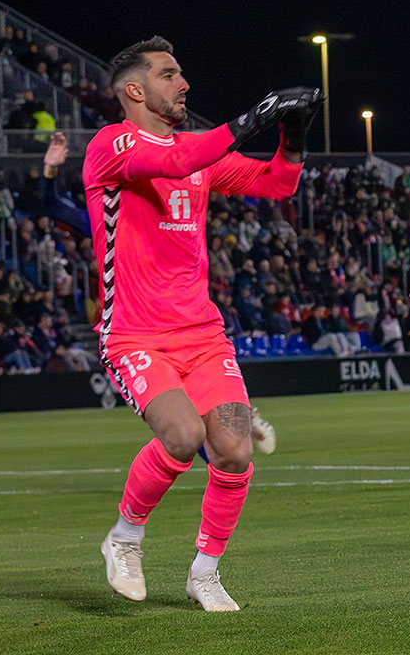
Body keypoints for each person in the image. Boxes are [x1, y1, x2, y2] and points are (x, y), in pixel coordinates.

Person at [84, 35, 321, 611]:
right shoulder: (112, 146)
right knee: (184, 438)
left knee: (235, 452)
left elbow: (278, 183)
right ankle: (125, 536)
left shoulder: (198, 152)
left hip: (202, 335)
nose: (184, 83)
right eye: (169, 75)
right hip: (135, 334)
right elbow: (176, 160)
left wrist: (294, 132)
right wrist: (260, 114)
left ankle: (205, 572)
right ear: (135, 90)